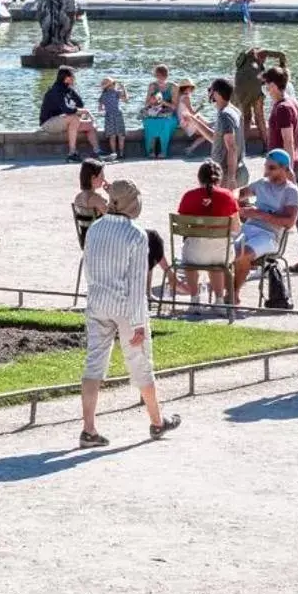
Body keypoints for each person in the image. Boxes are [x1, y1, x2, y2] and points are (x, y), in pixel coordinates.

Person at [79, 179, 181, 446]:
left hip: (97, 301)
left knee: (94, 363)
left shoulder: (95, 229)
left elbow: (88, 268)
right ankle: (157, 422)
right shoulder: (136, 234)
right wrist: (138, 323)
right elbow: (137, 285)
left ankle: (88, 429)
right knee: (140, 363)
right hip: (125, 306)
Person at [231, 151, 298, 305]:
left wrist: (258, 214)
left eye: (271, 167)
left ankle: (233, 293)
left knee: (244, 254)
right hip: (249, 229)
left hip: (269, 235)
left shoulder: (291, 192)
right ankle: (226, 291)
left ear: (284, 169)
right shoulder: (262, 183)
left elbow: (289, 222)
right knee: (224, 251)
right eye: (266, 166)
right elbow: (239, 192)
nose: (266, 171)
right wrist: (234, 201)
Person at [261, 68, 298, 273]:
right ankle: (290, 257)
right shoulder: (292, 103)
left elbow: (288, 140)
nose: (266, 89)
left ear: (273, 85)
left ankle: (279, 258)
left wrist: (286, 170)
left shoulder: (282, 108)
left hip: (282, 168)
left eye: (267, 85)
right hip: (286, 166)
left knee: (289, 212)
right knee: (288, 211)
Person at [174, 161, 241, 301]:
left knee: (192, 252)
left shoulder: (188, 196)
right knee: (217, 258)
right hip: (220, 254)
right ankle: (219, 300)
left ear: (199, 178)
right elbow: (236, 228)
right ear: (219, 178)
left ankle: (194, 299)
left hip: (194, 253)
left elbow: (182, 229)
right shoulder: (228, 196)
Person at [39, 66, 94, 163]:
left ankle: (98, 151)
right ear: (66, 78)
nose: (74, 78)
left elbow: (80, 104)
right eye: (73, 76)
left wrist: (73, 89)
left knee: (90, 125)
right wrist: (83, 111)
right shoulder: (55, 90)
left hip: (60, 120)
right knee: (74, 118)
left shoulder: (67, 89)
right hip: (48, 123)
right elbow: (67, 109)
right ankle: (72, 153)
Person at [206, 77, 247, 188]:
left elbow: (232, 148)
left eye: (211, 91)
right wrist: (193, 120)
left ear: (217, 94)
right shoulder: (234, 110)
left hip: (226, 175)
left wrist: (231, 177)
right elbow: (216, 138)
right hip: (240, 170)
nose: (210, 94)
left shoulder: (224, 116)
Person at [96, 77, 127, 160]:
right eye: (113, 84)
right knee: (121, 135)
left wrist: (106, 108)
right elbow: (125, 99)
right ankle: (121, 153)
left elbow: (100, 109)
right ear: (110, 86)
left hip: (109, 116)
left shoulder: (103, 95)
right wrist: (124, 88)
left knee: (112, 136)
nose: (114, 85)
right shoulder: (116, 92)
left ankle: (114, 153)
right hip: (118, 115)